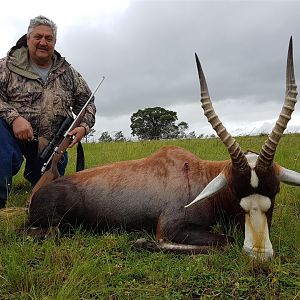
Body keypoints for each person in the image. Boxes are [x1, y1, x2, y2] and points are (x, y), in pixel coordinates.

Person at [0, 15, 96, 208]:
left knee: (48, 193)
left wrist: (84, 127)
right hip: (10, 136)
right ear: (28, 39)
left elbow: (88, 103)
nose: (43, 42)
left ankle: (35, 176)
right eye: (38, 37)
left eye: (48, 38)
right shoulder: (6, 66)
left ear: (54, 42)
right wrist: (14, 118)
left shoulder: (68, 72)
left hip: (49, 147)